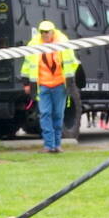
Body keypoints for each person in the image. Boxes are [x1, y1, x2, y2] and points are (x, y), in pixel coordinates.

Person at [21, 19, 79, 153]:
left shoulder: (63, 43)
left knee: (58, 115)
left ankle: (57, 145)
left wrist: (70, 83)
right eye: (42, 32)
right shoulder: (34, 45)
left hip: (59, 85)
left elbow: (72, 63)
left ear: (53, 32)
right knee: (45, 114)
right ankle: (48, 145)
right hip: (43, 86)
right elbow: (27, 65)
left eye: (47, 32)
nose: (45, 34)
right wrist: (26, 84)